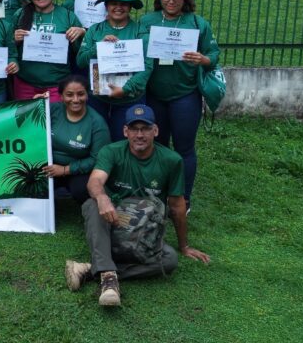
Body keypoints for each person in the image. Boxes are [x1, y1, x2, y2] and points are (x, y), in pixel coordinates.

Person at [65, 104, 210, 307]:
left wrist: (184, 246)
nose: (139, 135)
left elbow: (177, 206)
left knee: (169, 259)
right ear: (126, 131)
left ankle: (93, 270)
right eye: (134, 129)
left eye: (145, 128)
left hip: (144, 231)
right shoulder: (111, 151)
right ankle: (109, 279)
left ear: (155, 131)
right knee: (92, 203)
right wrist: (103, 198)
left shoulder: (172, 160)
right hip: (112, 221)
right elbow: (95, 181)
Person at [138, 0, 220, 210]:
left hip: (185, 94)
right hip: (154, 94)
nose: (171, 1)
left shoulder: (197, 24)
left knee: (184, 148)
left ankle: (183, 198)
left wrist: (203, 59)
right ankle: (158, 194)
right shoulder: (147, 21)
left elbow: (213, 55)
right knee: (157, 146)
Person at [76, 0, 152, 140]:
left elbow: (148, 67)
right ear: (106, 6)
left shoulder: (140, 32)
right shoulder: (95, 30)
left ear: (130, 7)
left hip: (129, 98)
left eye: (123, 4)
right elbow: (80, 61)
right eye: (113, 3)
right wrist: (98, 47)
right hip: (98, 98)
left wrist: (126, 89)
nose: (118, 7)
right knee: (97, 139)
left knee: (123, 140)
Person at [12, 0, 86, 101]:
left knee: (55, 114)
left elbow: (81, 52)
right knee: (26, 115)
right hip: (25, 83)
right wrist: (14, 39)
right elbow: (7, 47)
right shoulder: (20, 14)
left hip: (57, 84)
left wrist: (81, 33)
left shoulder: (67, 16)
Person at [41, 77, 110, 202]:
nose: (76, 99)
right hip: (49, 166)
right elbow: (26, 121)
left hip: (79, 170)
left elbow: (98, 159)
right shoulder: (52, 110)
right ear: (61, 96)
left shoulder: (97, 123)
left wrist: (65, 170)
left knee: (82, 190)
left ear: (87, 95)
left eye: (81, 94)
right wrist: (37, 104)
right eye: (69, 95)